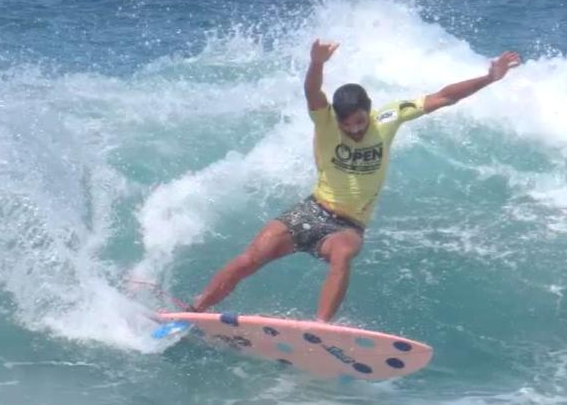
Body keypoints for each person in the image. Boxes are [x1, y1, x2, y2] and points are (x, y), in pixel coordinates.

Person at [187, 39, 520, 321]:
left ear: (369, 112)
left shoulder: (388, 118)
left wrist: (490, 77)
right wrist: (316, 63)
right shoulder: (326, 121)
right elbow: (312, 91)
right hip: (311, 211)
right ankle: (196, 310)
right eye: (349, 125)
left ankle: (320, 330)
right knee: (251, 258)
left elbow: (445, 96)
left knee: (343, 253)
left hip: (348, 226)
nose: (356, 129)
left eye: (360, 122)